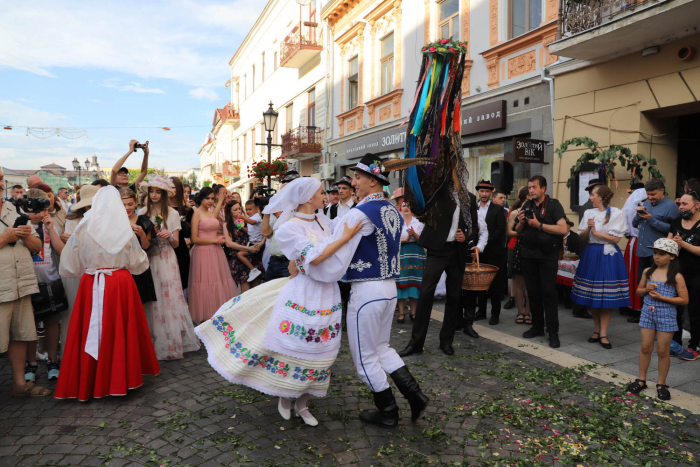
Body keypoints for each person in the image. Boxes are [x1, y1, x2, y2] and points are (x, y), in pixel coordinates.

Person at [196, 177, 362, 426]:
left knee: (321, 351)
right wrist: (344, 239)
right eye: (320, 192)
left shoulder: (322, 219)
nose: (325, 195)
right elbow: (313, 257)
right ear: (307, 198)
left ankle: (304, 402)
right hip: (304, 292)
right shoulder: (288, 228)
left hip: (327, 292)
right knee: (297, 345)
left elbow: (307, 258)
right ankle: (287, 393)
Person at [310, 154, 429, 428]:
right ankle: (415, 395)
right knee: (381, 348)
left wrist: (310, 264)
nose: (354, 183)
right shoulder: (392, 210)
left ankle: (388, 411)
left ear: (373, 181)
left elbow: (335, 248)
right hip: (389, 288)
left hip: (366, 290)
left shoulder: (358, 212)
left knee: (365, 358)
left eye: (358, 178)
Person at [54, 186, 160, 401]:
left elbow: (69, 265)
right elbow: (139, 263)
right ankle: (122, 378)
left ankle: (90, 379)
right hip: (119, 283)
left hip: (91, 282)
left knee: (92, 329)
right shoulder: (124, 229)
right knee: (119, 329)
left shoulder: (83, 227)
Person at [400, 182, 487, 353]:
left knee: (454, 297)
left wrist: (467, 235)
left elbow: (474, 227)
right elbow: (421, 210)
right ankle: (416, 343)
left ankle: (446, 341)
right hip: (437, 250)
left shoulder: (469, 198)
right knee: (425, 294)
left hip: (457, 252)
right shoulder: (436, 194)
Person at [138, 175, 200, 360]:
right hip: (148, 259)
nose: (154, 195)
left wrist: (169, 236)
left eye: (158, 191)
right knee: (151, 299)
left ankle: (171, 342)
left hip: (166, 258)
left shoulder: (172, 214)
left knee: (170, 298)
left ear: (165, 194)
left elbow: (176, 244)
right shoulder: (141, 212)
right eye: (151, 191)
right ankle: (152, 342)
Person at [0, 168, 48, 396]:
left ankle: (19, 384)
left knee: (19, 335)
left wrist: (27, 236)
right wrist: (4, 239)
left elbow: (37, 247)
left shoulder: (13, 208)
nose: (0, 184)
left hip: (20, 284)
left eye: (0, 179)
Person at [627, 238, 688, 401]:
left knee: (662, 350)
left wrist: (663, 298)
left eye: (662, 254)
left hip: (666, 314)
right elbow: (639, 291)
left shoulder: (676, 276)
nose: (657, 257)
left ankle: (661, 383)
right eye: (655, 253)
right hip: (648, 312)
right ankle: (641, 380)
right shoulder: (648, 271)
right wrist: (645, 289)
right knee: (645, 347)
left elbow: (684, 299)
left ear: (672, 256)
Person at [571, 185, 630, 350]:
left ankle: (603, 333)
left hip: (608, 255)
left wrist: (596, 232)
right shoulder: (589, 213)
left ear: (601, 197)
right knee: (593, 294)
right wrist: (589, 229)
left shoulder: (617, 213)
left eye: (592, 195)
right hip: (592, 252)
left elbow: (616, 239)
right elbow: (582, 236)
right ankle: (596, 331)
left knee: (606, 297)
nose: (590, 198)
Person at [516, 176, 567, 348]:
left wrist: (539, 225)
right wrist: (522, 222)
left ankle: (553, 331)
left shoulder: (553, 205)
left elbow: (563, 228)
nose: (531, 190)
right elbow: (517, 230)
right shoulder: (527, 205)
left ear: (543, 188)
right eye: (529, 187)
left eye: (534, 187)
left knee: (548, 293)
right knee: (533, 293)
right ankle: (537, 327)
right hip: (529, 254)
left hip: (547, 255)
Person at [23, 189, 66, 382]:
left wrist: (50, 228)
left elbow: (60, 251)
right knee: (29, 326)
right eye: (34, 208)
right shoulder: (21, 225)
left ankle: (52, 360)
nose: (39, 213)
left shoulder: (49, 225)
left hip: (50, 282)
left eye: (43, 208)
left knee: (51, 323)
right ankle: (30, 362)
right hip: (28, 283)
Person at [629, 179, 680, 323]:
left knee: (659, 285)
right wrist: (638, 214)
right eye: (648, 194)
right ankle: (645, 313)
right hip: (643, 250)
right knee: (643, 283)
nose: (650, 197)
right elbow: (635, 224)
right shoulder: (646, 203)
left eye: (653, 194)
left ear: (662, 191)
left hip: (659, 253)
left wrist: (651, 220)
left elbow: (673, 229)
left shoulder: (671, 206)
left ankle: (659, 315)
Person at [59, 185, 98, 360]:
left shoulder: (104, 219)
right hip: (78, 270)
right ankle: (74, 355)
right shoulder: (73, 219)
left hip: (96, 271)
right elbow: (69, 245)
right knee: (77, 312)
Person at [189, 187, 237, 322]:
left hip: (216, 251)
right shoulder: (196, 214)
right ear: (200, 199)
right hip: (202, 252)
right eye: (207, 198)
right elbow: (194, 239)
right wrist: (214, 240)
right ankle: (206, 316)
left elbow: (214, 217)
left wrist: (221, 198)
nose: (210, 201)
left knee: (218, 282)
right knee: (205, 282)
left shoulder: (211, 213)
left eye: (212, 198)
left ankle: (217, 314)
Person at [668, 191, 700, 358]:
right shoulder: (676, 222)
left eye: (685, 204)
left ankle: (695, 346)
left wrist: (682, 244)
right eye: (679, 204)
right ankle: (676, 343)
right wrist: (669, 247)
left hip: (697, 275)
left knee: (695, 312)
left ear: (697, 205)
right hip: (678, 273)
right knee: (676, 310)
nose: (681, 207)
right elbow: (668, 244)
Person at [473, 180, 507, 325]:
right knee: (479, 283)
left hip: (494, 252)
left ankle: (495, 314)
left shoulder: (498, 209)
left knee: (495, 284)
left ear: (491, 192)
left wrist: (485, 241)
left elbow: (501, 230)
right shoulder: (473, 208)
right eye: (482, 191)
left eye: (487, 191)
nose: (484, 194)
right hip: (478, 252)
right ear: (478, 192)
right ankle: (481, 311)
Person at [119, 188, 158, 307]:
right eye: (123, 205)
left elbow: (147, 248)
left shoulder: (143, 221)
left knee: (140, 305)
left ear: (136, 202)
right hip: (122, 269)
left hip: (140, 269)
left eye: (130, 204)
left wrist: (142, 235)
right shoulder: (115, 222)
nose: (127, 208)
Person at [261, 171, 302, 282]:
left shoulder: (300, 208)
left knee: (286, 297)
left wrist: (279, 215)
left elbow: (292, 231)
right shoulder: (280, 207)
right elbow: (266, 233)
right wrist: (267, 211)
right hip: (273, 261)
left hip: (287, 262)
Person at [225, 201, 264, 292]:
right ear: (229, 212)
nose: (239, 211)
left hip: (254, 255)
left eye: (239, 208)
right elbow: (229, 243)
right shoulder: (227, 225)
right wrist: (248, 248)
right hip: (241, 259)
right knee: (245, 293)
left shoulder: (248, 220)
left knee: (256, 291)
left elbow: (254, 230)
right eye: (235, 210)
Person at [620, 183, 647, 319]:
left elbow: (624, 226)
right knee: (637, 274)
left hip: (634, 241)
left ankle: (632, 305)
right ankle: (636, 306)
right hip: (638, 242)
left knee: (633, 274)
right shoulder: (647, 203)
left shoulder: (631, 203)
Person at [396, 200, 425, 324]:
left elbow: (424, 240)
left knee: (415, 283)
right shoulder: (397, 222)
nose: (406, 208)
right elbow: (393, 240)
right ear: (400, 208)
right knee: (401, 283)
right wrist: (405, 238)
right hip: (402, 253)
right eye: (404, 205)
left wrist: (414, 234)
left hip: (416, 254)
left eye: (408, 205)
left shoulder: (418, 222)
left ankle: (413, 312)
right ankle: (401, 313)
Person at [506, 187, 531, 325]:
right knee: (518, 282)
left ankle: (528, 312)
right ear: (527, 196)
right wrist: (521, 233)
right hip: (517, 247)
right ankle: (520, 312)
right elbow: (508, 232)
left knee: (530, 284)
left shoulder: (537, 211)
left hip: (533, 249)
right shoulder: (515, 212)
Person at [169, 177, 193, 292]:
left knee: (182, 285)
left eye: (173, 187)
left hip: (181, 249)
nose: (170, 190)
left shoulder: (187, 210)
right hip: (164, 249)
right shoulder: (160, 209)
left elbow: (190, 233)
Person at [235, 200, 265, 283]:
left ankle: (254, 270)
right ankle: (253, 270)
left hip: (257, 242)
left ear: (256, 209)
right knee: (240, 254)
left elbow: (252, 222)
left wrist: (242, 217)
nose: (248, 211)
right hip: (252, 242)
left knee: (240, 254)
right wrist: (239, 225)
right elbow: (248, 230)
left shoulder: (257, 217)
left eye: (250, 209)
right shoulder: (249, 218)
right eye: (246, 210)